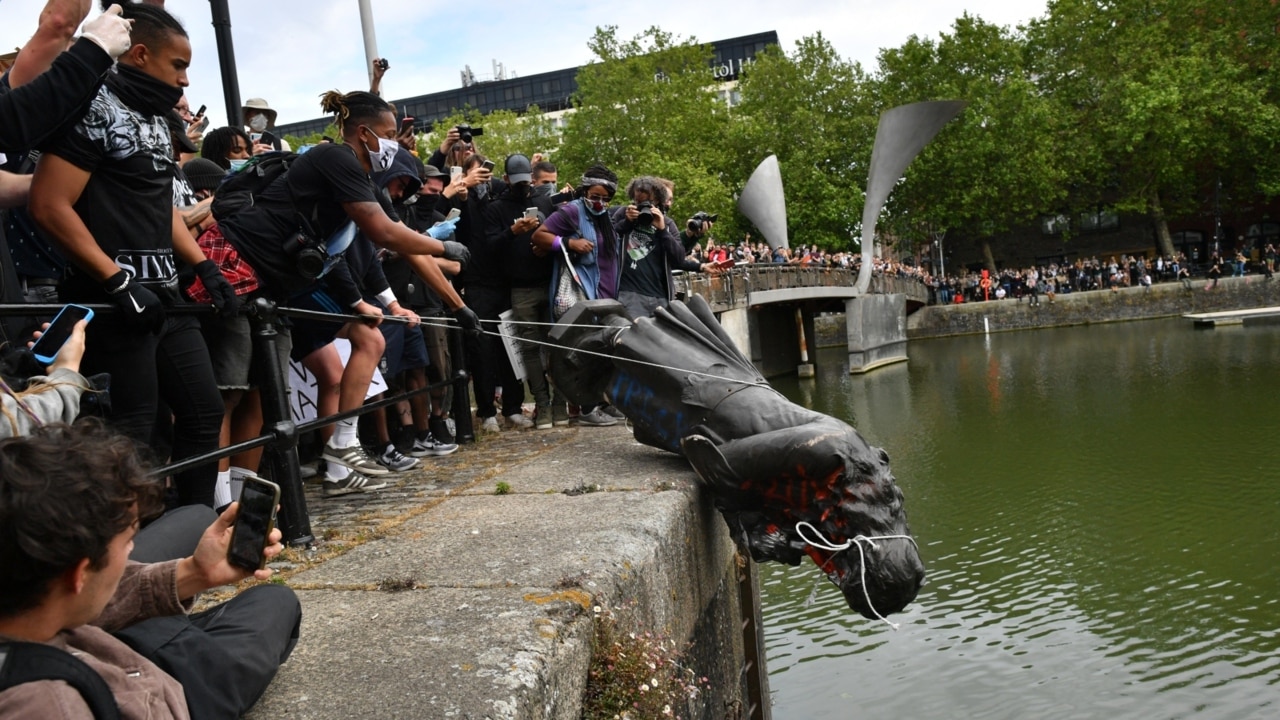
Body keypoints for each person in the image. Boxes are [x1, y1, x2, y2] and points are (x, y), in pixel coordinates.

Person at [28, 2, 237, 508]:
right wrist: (116, 280)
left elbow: (159, 203)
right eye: (178, 65)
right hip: (112, 302)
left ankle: (190, 534)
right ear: (140, 54)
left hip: (164, 295)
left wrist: (206, 268)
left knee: (204, 413)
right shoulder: (92, 108)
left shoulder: (157, 121)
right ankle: (124, 563)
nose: (185, 81)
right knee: (132, 433)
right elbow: (48, 204)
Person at [217, 89, 476, 496]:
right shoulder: (334, 158)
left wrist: (457, 306)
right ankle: (224, 500)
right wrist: (443, 246)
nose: (394, 142)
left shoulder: (363, 181)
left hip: (281, 281)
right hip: (242, 269)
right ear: (363, 132)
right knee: (233, 397)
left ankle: (308, 465)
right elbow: (385, 234)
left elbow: (381, 245)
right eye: (389, 133)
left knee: (260, 395)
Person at [0, 420, 300, 719]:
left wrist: (192, 573)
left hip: (94, 633)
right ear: (80, 574)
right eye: (130, 539)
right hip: (163, 684)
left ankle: (176, 616)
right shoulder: (50, 704)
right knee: (275, 600)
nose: (133, 547)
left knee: (197, 517)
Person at [486, 153, 561, 428]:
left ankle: (559, 404)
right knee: (529, 348)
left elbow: (560, 236)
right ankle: (542, 404)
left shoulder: (542, 201)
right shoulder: (496, 208)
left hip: (549, 283)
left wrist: (547, 244)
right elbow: (489, 248)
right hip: (519, 288)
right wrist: (513, 232)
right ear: (506, 179)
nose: (523, 187)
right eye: (517, 182)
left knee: (557, 345)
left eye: (526, 182)